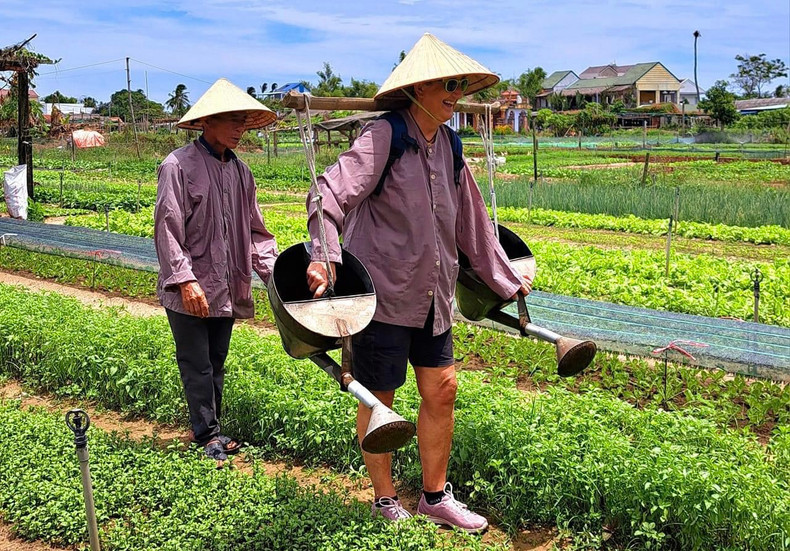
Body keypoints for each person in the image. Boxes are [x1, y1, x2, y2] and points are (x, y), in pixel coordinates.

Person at [305, 34, 532, 533]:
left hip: (433, 296)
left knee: (443, 389)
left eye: (458, 85)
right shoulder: (384, 136)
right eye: (445, 85)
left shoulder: (450, 145)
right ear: (417, 89)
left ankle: (434, 496)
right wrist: (324, 254)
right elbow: (328, 193)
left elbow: (473, 223)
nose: (454, 92)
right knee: (379, 398)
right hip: (383, 295)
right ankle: (384, 499)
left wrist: (503, 277)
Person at [154, 78, 278, 463]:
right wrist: (185, 279)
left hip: (226, 286)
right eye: (232, 120)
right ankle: (207, 433)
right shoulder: (177, 166)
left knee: (217, 361)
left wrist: (275, 275)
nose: (240, 128)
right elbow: (168, 229)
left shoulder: (242, 173)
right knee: (197, 361)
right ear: (206, 122)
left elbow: (256, 230)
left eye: (244, 121)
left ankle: (210, 429)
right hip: (190, 287)